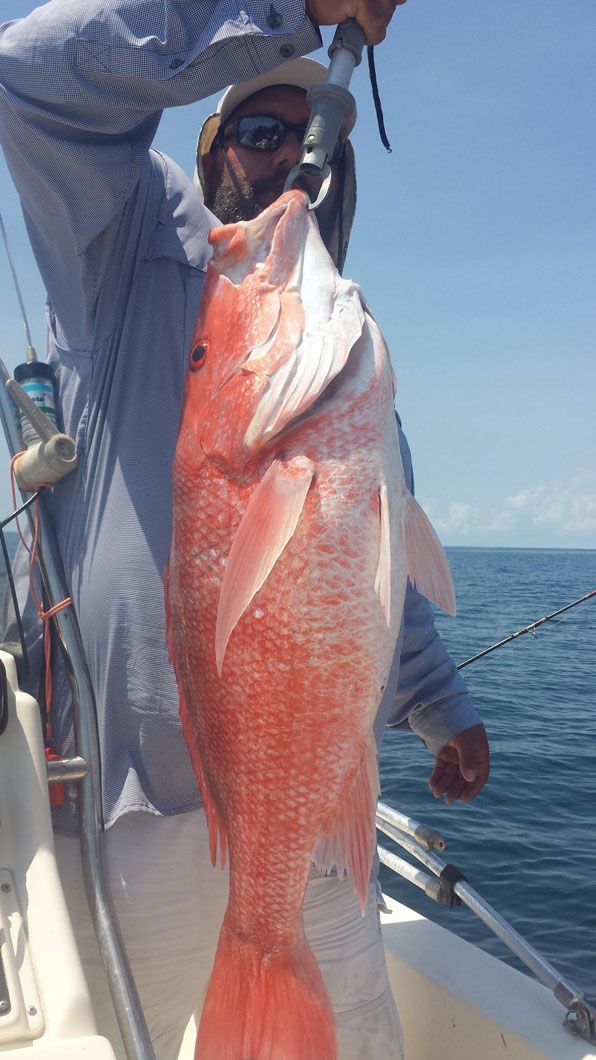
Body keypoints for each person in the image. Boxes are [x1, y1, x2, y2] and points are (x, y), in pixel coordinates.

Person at [0, 3, 489, 1058]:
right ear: (206, 153)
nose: (286, 161)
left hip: (304, 807)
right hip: (139, 818)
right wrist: (292, 12)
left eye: (308, 144)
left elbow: (358, 583)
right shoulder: (126, 247)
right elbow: (31, 75)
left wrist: (440, 705)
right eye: (258, 134)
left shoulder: (340, 350)